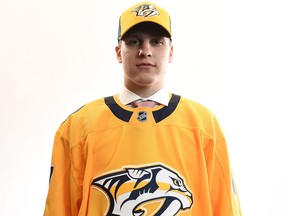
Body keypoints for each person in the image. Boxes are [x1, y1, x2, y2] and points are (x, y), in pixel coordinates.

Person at [44, 2, 242, 215]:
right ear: (119, 52)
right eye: (134, 41)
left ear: (171, 52)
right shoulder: (80, 127)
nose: (145, 51)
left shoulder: (203, 125)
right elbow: (59, 208)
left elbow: (226, 208)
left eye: (156, 42)